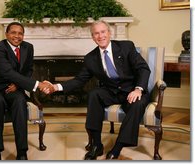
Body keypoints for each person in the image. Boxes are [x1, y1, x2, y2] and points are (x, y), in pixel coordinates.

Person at [43, 20, 151, 160]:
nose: (100, 36)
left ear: (109, 33)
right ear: (92, 37)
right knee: (94, 94)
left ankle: (117, 147)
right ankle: (96, 145)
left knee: (138, 103)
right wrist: (55, 87)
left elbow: (143, 68)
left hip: (132, 90)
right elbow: (79, 80)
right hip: (111, 92)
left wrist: (138, 89)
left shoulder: (126, 47)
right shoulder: (90, 58)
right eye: (96, 34)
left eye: (103, 32)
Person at [0, 22, 52, 160]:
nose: (17, 36)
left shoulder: (28, 47)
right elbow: (7, 72)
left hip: (13, 87)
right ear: (6, 34)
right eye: (13, 32)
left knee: (19, 100)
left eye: (20, 33)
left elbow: (29, 70)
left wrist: (18, 86)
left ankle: (22, 152)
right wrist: (38, 84)